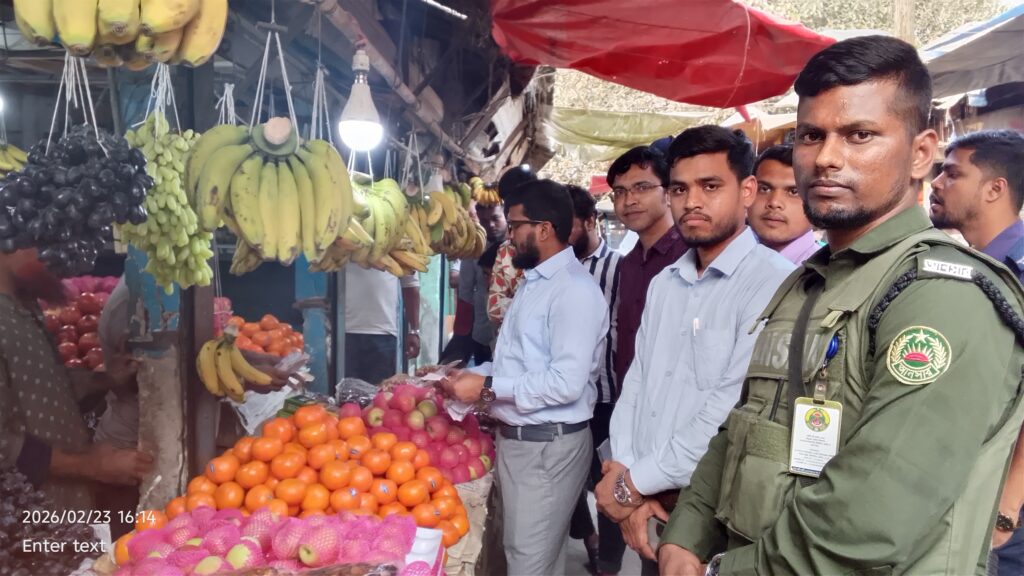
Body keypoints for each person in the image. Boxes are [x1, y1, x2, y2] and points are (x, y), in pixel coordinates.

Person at [657, 36, 1024, 576]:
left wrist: (721, 571)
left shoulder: (943, 293)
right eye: (812, 135)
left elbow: (867, 525)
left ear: (922, 153)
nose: (827, 158)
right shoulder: (812, 280)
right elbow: (745, 424)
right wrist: (686, 535)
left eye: (859, 135)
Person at [596, 126, 794, 575]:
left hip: (712, 512)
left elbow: (726, 411)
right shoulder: (666, 281)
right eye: (680, 189)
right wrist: (628, 477)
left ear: (747, 191)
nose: (692, 202)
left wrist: (629, 485)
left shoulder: (774, 283)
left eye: (710, 186)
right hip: (647, 500)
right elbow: (638, 382)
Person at [444, 179, 609, 576]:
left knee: (528, 564)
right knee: (531, 559)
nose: (509, 236)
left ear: (544, 230)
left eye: (516, 226)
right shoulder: (534, 284)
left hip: (546, 450)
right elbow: (515, 368)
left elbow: (565, 383)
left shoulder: (573, 292)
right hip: (524, 444)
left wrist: (485, 388)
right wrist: (469, 379)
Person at [929, 129, 1024, 575]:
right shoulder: (971, 267)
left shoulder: (1017, 273)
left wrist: (1008, 503)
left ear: (994, 189)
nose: (936, 183)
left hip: (1007, 505)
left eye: (952, 173)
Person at [0, 249, 153, 512]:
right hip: (20, 521)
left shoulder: (22, 302)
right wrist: (90, 465)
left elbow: (38, 386)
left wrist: (105, 380)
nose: (57, 261)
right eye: (40, 246)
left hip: (61, 509)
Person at [565, 184, 624, 575]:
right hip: (566, 400)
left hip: (606, 396)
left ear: (591, 221)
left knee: (607, 482)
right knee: (568, 485)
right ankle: (588, 539)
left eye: (566, 226)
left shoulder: (619, 267)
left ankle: (608, 563)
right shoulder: (555, 269)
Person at [610, 147, 688, 397]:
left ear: (668, 194)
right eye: (620, 192)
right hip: (628, 403)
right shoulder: (629, 263)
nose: (629, 200)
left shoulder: (688, 256)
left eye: (642, 187)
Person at [344, 266, 420, 384]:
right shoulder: (339, 247)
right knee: (343, 396)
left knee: (380, 396)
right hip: (344, 332)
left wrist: (414, 330)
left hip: (383, 333)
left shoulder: (400, 248)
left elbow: (410, 286)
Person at [748, 144, 820, 264]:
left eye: (793, 192)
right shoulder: (723, 257)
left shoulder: (823, 274)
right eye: (764, 189)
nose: (774, 202)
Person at [457, 200, 508, 365]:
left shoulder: (519, 249)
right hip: (482, 333)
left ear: (506, 215)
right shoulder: (474, 247)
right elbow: (465, 291)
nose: (491, 225)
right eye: (484, 221)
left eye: (496, 218)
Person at [486, 165, 537, 331]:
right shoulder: (506, 251)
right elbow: (493, 308)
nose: (509, 208)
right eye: (506, 202)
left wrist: (512, 303)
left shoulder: (558, 247)